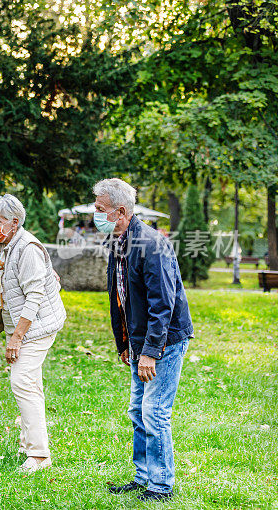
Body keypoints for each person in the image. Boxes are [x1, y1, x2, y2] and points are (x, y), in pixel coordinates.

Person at [94, 179, 193, 502]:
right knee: (138, 410)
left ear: (120, 212)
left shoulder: (151, 243)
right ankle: (143, 476)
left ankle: (161, 485)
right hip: (140, 342)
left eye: (100, 210)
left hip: (165, 340)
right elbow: (120, 298)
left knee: (154, 411)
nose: (96, 215)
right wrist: (125, 344)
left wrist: (149, 352)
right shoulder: (118, 241)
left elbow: (162, 303)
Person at [0, 194, 66, 473]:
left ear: (14, 223)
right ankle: (29, 444)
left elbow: (33, 297)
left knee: (22, 380)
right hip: (23, 323)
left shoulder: (27, 247)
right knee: (29, 382)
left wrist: (16, 337)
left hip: (38, 324)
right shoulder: (5, 244)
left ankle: (40, 455)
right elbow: (2, 285)